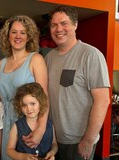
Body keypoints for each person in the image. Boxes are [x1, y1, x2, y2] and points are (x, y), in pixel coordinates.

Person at [45, 5, 110, 160]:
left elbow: (103, 100)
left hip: (79, 140)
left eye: (64, 23)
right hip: (55, 139)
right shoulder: (49, 57)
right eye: (54, 25)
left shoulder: (90, 55)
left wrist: (88, 140)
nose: (58, 29)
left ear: (75, 24)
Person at [0, 15, 48, 160]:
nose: (18, 36)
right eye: (14, 32)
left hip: (26, 124)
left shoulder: (36, 59)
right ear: (7, 35)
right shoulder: (1, 64)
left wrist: (40, 129)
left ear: (28, 36)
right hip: (4, 123)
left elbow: (44, 97)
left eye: (23, 32)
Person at [7, 82, 58, 160]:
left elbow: (54, 144)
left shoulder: (49, 124)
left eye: (32, 104)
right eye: (24, 105)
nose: (29, 109)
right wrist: (23, 157)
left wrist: (52, 152)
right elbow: (9, 150)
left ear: (41, 102)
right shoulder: (17, 126)